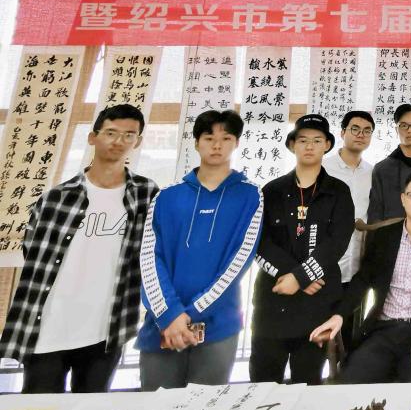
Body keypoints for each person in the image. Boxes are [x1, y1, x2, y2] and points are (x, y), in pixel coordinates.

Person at [0, 105, 159, 394]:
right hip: (48, 326)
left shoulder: (146, 194)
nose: (119, 141)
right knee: (38, 408)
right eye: (110, 133)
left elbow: (152, 250)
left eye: (129, 135)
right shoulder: (56, 198)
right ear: (92, 137)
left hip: (106, 329)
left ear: (137, 142)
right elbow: (32, 250)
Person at [137, 109, 263, 390]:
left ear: (236, 143)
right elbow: (150, 258)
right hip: (163, 324)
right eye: (208, 138)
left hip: (219, 327)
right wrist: (170, 315)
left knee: (206, 407)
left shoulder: (251, 195)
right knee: (155, 407)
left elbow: (238, 262)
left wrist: (190, 314)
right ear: (196, 143)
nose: (217, 145)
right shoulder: (166, 196)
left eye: (226, 138)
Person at [309, 170, 411, 383]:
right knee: (350, 382)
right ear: (403, 199)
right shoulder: (384, 237)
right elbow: (362, 280)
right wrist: (339, 315)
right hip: (383, 330)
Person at [250, 114, 354, 385]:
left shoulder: (339, 192)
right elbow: (259, 241)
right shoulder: (271, 191)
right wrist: (295, 277)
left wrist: (301, 277)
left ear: (327, 145)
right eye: (303, 140)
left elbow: (338, 242)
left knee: (307, 383)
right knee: (262, 382)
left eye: (317, 140)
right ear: (292, 145)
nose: (310, 146)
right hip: (273, 302)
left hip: (316, 304)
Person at [322, 110, 375, 353]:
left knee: (349, 337)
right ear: (343, 132)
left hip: (357, 267)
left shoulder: (373, 173)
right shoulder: (324, 167)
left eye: (367, 131)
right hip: (324, 268)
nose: (360, 135)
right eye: (355, 129)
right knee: (319, 336)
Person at [367, 104, 411, 223]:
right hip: (390, 234)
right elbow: (375, 214)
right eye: (404, 125)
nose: (410, 130)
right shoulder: (382, 169)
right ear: (397, 130)